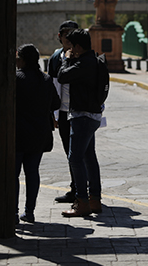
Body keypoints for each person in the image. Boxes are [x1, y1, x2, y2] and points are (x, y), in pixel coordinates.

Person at [57, 29, 104, 217]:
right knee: (89, 157)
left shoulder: (82, 63)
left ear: (77, 46)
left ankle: (82, 202)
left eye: (71, 46)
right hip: (93, 115)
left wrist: (67, 59)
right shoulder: (96, 60)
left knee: (75, 158)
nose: (69, 50)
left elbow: (62, 76)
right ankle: (95, 200)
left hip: (82, 117)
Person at [15, 44, 60, 223]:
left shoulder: (16, 78)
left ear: (24, 59)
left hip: (18, 134)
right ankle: (29, 211)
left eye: (18, 57)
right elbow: (56, 104)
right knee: (32, 172)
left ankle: (13, 212)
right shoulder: (46, 79)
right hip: (39, 134)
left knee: (13, 174)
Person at [48, 20, 79, 203]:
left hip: (81, 112)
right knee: (70, 152)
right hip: (63, 112)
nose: (69, 37)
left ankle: (86, 191)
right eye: (66, 34)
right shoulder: (55, 58)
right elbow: (51, 86)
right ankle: (76, 188)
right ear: (59, 37)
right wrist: (53, 113)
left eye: (73, 34)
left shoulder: (84, 56)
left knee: (83, 152)